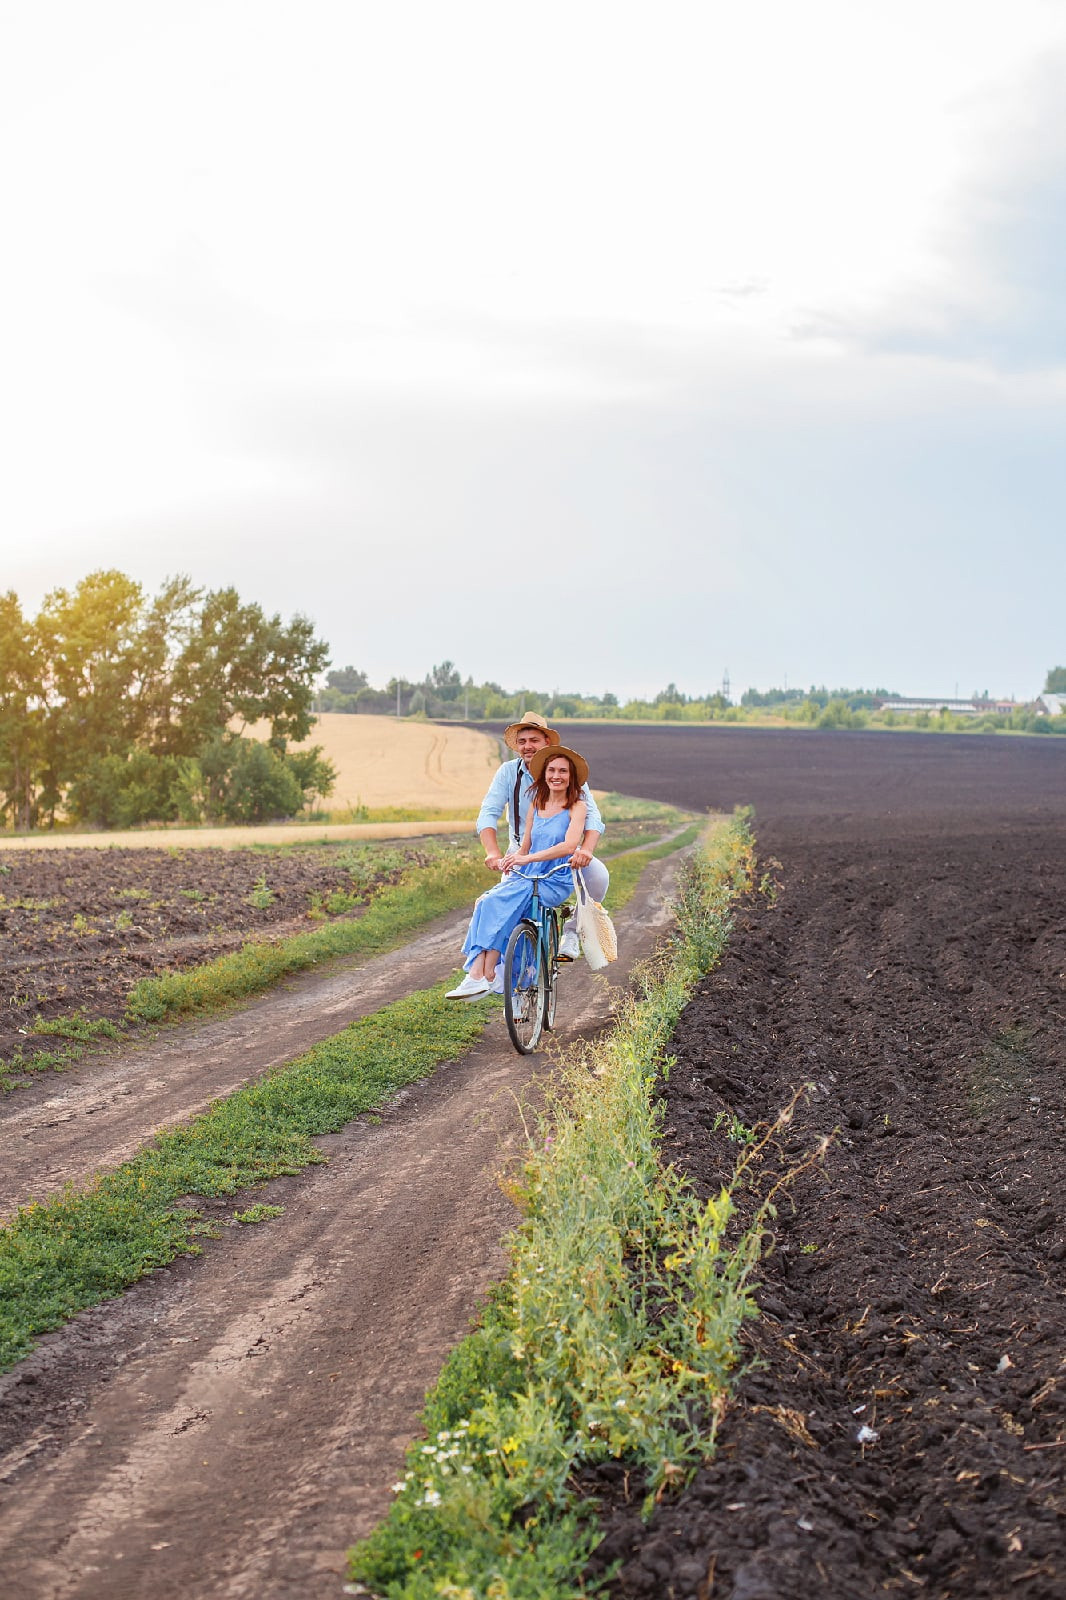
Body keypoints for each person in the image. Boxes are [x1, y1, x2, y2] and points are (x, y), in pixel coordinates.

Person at [447, 746, 589, 999]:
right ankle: (484, 973)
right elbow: (525, 846)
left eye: (563, 771)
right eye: (552, 770)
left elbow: (568, 846)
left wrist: (527, 857)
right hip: (530, 873)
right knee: (486, 901)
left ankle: (479, 975)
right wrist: (513, 862)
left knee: (497, 903)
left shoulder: (577, 807)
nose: (557, 775)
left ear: (571, 777)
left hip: (555, 877)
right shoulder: (536, 804)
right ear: (544, 774)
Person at [475, 713, 608, 959]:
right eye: (522, 741)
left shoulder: (565, 770)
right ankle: (504, 980)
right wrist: (492, 852)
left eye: (534, 740)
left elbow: (593, 817)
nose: (527, 746)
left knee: (598, 877)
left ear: (547, 742)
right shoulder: (508, 773)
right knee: (503, 911)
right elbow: (488, 812)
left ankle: (571, 932)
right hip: (521, 852)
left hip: (563, 854)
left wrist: (586, 850)